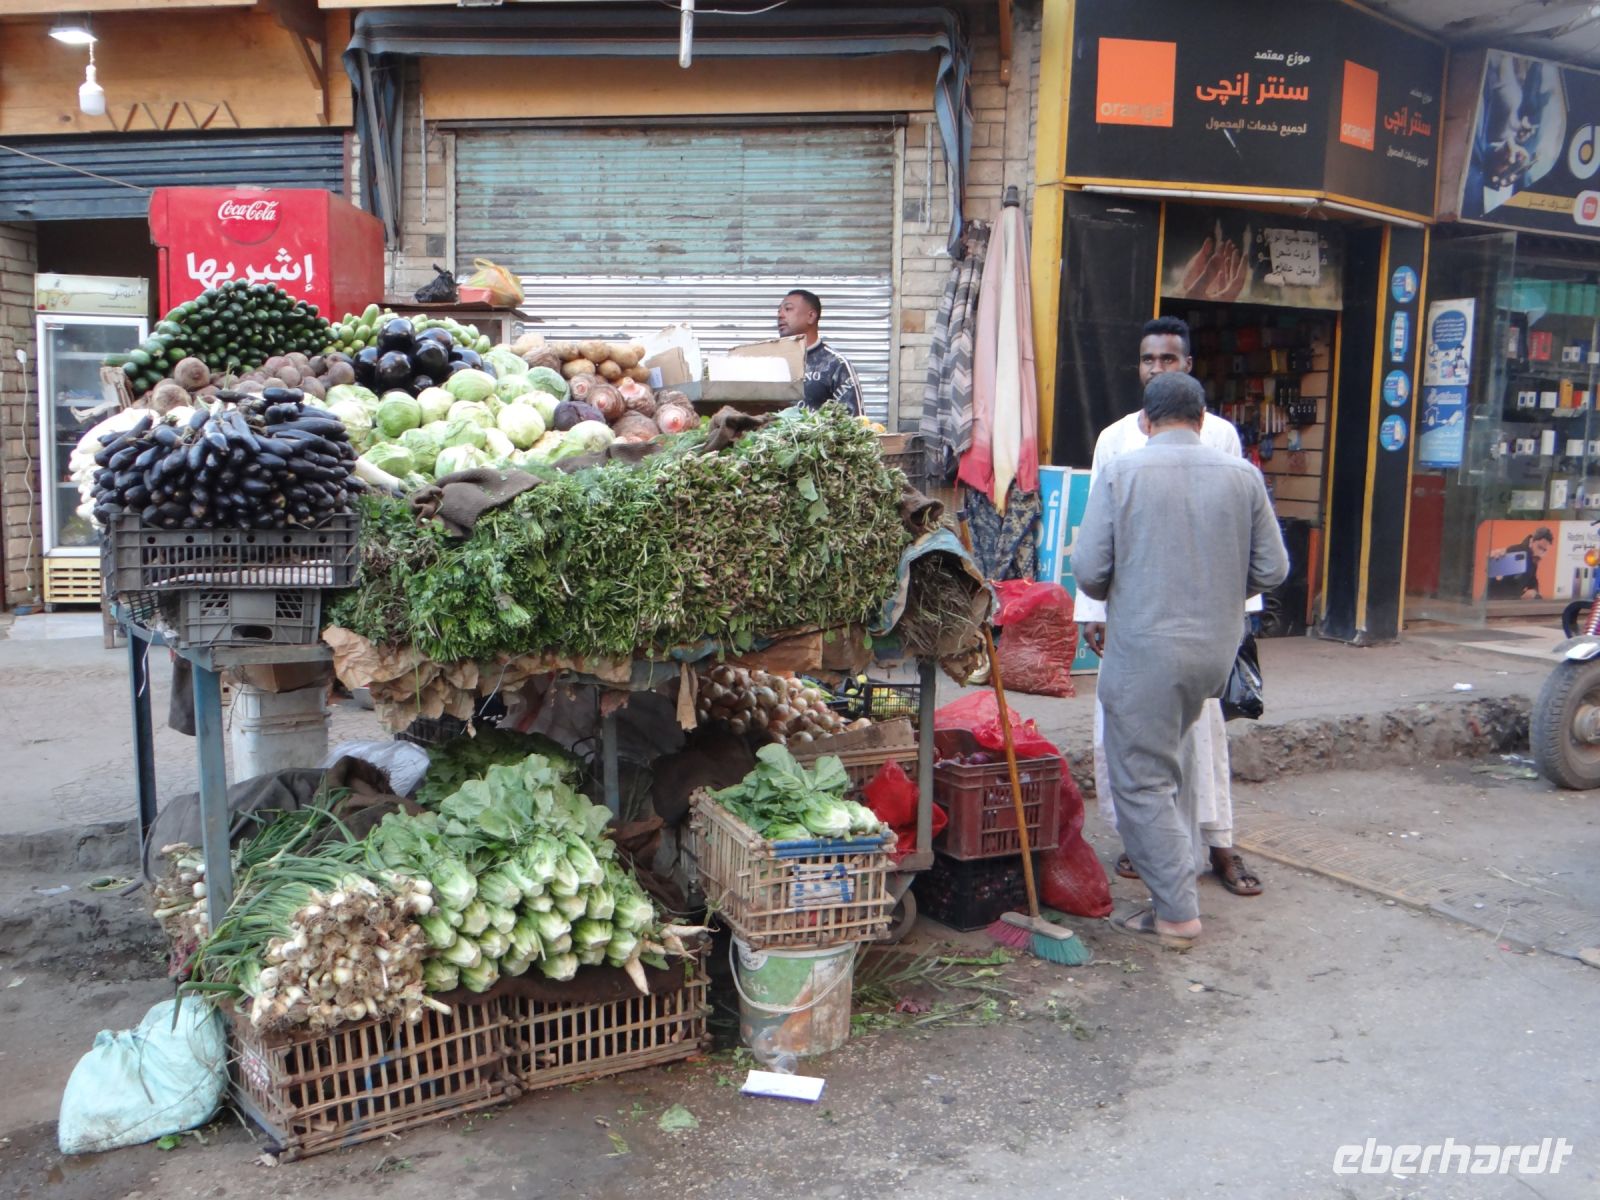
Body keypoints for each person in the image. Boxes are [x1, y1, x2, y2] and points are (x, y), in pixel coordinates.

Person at [1073, 372, 1288, 946]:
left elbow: (1091, 571)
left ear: (1145, 422)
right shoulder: (1243, 476)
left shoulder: (1122, 472)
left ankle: (1175, 911)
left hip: (1145, 651)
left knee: (1141, 780)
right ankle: (1183, 873)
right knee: (1178, 762)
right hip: (1214, 655)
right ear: (1201, 420)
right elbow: (1272, 571)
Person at [776, 289, 863, 416]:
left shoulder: (835, 364)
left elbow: (856, 423)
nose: (780, 315)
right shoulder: (772, 362)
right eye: (779, 311)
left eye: (788, 309)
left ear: (811, 316)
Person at [1486, 528, 1552, 601]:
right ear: (1531, 541)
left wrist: (1533, 590)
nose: (1540, 553)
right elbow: (1496, 583)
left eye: (1544, 550)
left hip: (1511, 601)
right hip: (1496, 602)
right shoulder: (1515, 551)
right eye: (1539, 547)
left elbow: (1533, 580)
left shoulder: (1533, 558)